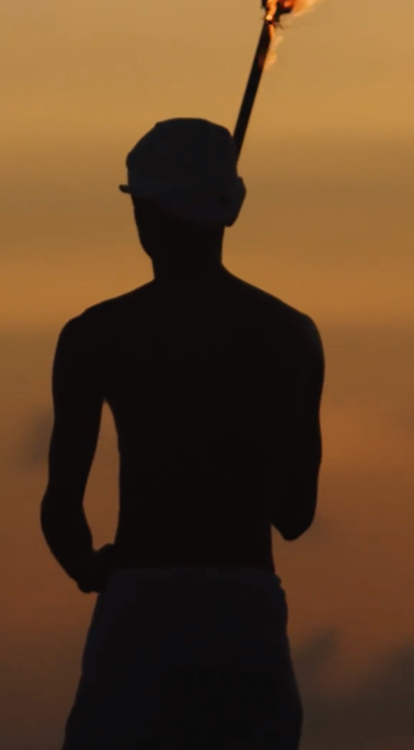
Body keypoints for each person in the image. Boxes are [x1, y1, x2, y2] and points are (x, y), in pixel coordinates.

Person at [41, 118, 324, 749]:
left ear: (143, 214)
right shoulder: (289, 335)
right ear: (229, 210)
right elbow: (296, 514)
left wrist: (92, 572)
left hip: (139, 613)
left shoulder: (96, 336)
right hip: (245, 615)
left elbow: (62, 508)